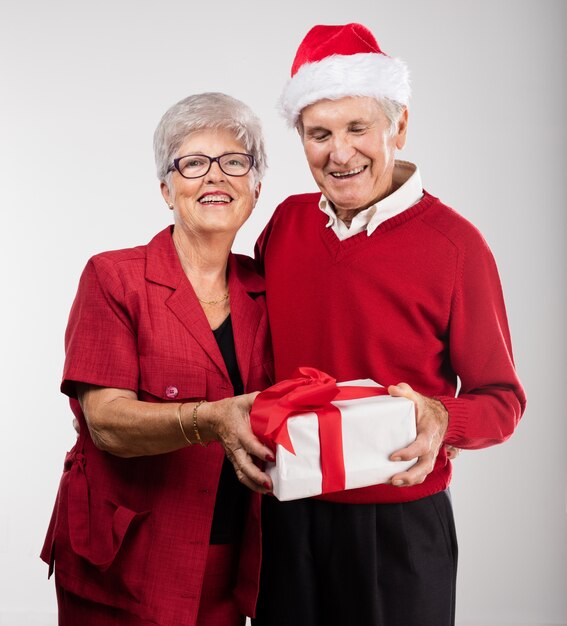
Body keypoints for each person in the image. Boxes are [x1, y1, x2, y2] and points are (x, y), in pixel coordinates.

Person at [253, 23, 527, 626]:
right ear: (301, 138)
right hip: (286, 515)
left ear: (398, 126)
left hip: (398, 526)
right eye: (319, 133)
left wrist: (441, 417)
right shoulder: (286, 224)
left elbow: (503, 403)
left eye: (358, 128)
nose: (340, 152)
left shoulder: (456, 246)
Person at [41, 92, 275, 626]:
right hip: (125, 559)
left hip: (232, 563)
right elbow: (107, 423)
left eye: (235, 162)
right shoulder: (113, 277)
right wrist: (212, 418)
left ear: (255, 187)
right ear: (166, 188)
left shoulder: (267, 290)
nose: (215, 177)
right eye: (193, 163)